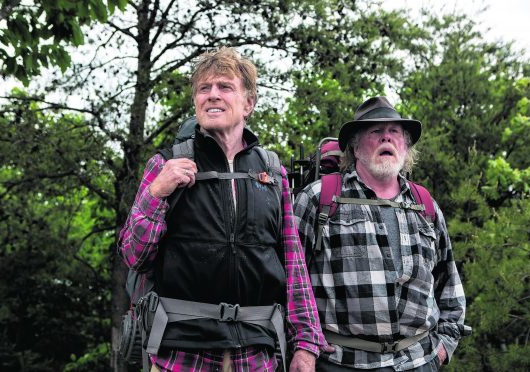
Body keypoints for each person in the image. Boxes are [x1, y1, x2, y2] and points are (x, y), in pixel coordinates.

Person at [118, 47, 328, 372]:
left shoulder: (273, 173)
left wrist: (305, 342)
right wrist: (157, 192)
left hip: (255, 353)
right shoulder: (165, 164)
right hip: (181, 352)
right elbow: (135, 256)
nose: (212, 95)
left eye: (224, 87)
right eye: (204, 88)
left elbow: (293, 263)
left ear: (249, 104)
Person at [294, 96, 471, 371]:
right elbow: (290, 280)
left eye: (394, 132)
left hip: (419, 361)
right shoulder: (320, 198)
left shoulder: (424, 204)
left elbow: (448, 282)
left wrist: (443, 347)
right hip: (342, 362)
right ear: (355, 144)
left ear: (405, 144)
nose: (386, 138)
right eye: (375, 131)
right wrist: (302, 345)